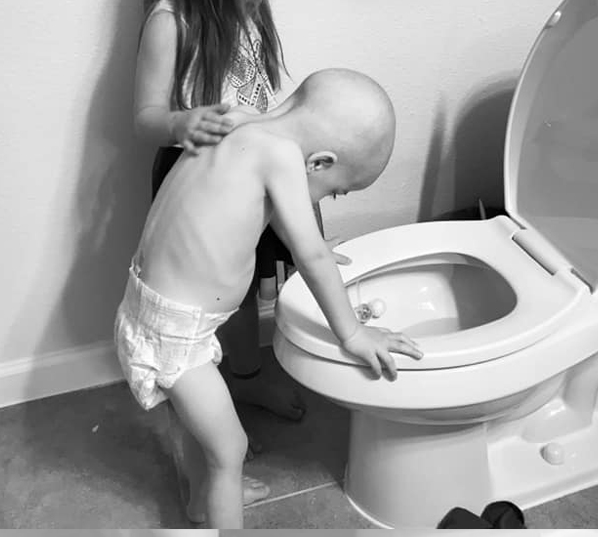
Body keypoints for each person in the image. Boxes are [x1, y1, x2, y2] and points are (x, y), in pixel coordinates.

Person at [116, 69, 425, 527]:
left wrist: (312, 253)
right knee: (230, 449)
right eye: (337, 191)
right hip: (177, 334)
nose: (329, 197)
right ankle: (218, 499)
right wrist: (354, 333)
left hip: (151, 310)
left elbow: (269, 215)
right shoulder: (281, 156)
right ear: (318, 163)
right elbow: (310, 252)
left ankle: (201, 501)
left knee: (195, 425)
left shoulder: (239, 120)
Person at [131, 0, 311, 502]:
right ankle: (200, 452)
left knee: (243, 295)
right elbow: (145, 113)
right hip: (197, 186)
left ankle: (246, 373)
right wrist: (178, 123)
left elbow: (260, 93)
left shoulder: (248, 7)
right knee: (200, 308)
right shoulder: (170, 21)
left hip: (251, 183)